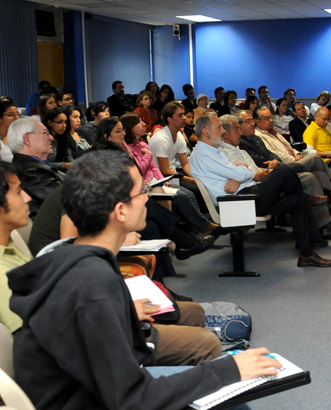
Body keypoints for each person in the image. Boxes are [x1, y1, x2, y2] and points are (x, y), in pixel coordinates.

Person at [8, 150, 283, 410]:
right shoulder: (91, 284)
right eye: (142, 191)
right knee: (229, 398)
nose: (147, 198)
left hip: (89, 393)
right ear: (120, 211)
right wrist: (228, 369)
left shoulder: (73, 255)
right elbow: (131, 399)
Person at [189, 113, 331, 267]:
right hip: (237, 201)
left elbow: (240, 172)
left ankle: (306, 254)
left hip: (247, 194)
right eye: (218, 128)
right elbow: (242, 172)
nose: (223, 131)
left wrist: (239, 173)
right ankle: (313, 196)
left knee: (296, 201)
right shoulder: (203, 154)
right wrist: (240, 172)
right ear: (205, 131)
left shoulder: (214, 150)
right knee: (283, 172)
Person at [221, 114, 331, 237]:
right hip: (272, 174)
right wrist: (274, 166)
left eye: (252, 120)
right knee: (313, 160)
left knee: (318, 175)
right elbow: (258, 164)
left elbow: (271, 154)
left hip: (276, 168)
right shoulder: (240, 143)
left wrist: (278, 160)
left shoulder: (256, 138)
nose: (252, 123)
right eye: (247, 121)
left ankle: (327, 219)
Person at [120, 113, 218, 239]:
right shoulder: (128, 149)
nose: (144, 124)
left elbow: (154, 168)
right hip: (145, 185)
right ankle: (202, 227)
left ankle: (199, 228)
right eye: (139, 123)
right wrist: (148, 155)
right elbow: (140, 170)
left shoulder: (143, 145)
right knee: (183, 196)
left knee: (189, 194)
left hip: (157, 181)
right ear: (131, 128)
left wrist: (162, 180)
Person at [0, 162, 32, 334]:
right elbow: (33, 338)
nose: (28, 198)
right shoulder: (2, 277)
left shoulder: (9, 243)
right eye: (19, 192)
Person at [8, 118, 61, 217]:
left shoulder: (32, 165)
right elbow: (68, 198)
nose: (51, 138)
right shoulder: (29, 171)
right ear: (27, 139)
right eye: (45, 133)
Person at [43, 107, 73, 171]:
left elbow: (69, 158)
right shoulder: (43, 139)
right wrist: (63, 165)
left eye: (65, 122)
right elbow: (43, 164)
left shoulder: (64, 137)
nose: (64, 125)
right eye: (60, 122)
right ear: (50, 123)